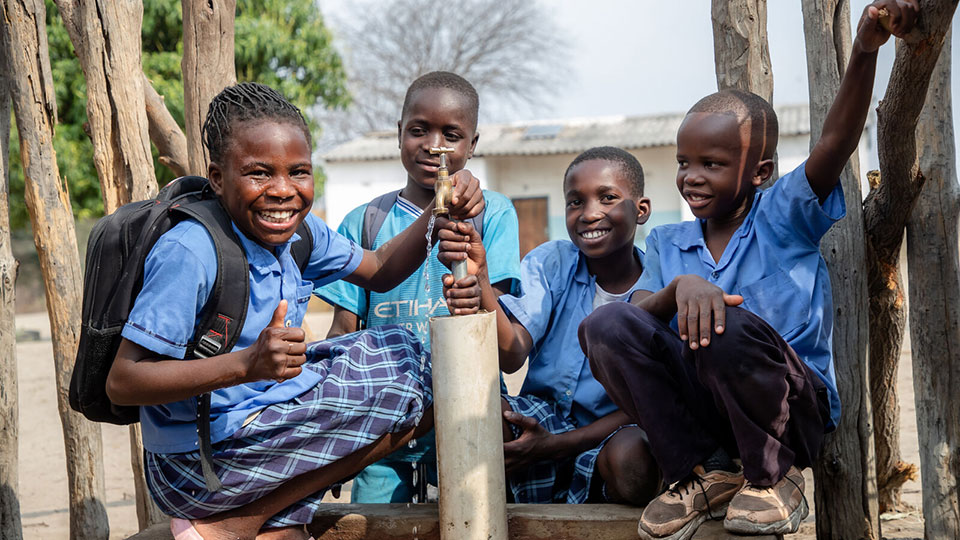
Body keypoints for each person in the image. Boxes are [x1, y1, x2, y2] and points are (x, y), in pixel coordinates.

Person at [578, 2, 918, 538]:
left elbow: (835, 143)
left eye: (711, 164)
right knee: (606, 324)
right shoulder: (669, 241)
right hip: (711, 420)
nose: (691, 177)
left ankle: (773, 478)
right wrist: (680, 288)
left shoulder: (783, 215)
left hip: (789, 411)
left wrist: (863, 51)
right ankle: (697, 475)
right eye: (684, 163)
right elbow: (638, 313)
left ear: (759, 172)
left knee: (722, 320)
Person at [105, 82, 485, 540]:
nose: (283, 191)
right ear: (218, 178)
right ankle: (235, 520)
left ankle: (256, 519)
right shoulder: (193, 251)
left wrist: (442, 202)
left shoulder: (298, 233)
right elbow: (123, 382)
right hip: (197, 463)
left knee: (410, 356)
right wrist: (246, 364)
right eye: (259, 173)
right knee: (414, 379)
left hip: (260, 424)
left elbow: (380, 269)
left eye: (298, 172)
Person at [316, 71, 521, 503]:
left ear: (473, 144)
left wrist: (477, 287)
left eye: (451, 133)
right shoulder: (365, 221)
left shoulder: (494, 215)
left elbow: (505, 343)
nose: (434, 145)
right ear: (399, 134)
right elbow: (344, 332)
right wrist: (330, 432)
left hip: (471, 425)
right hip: (381, 434)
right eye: (419, 130)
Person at [437, 146, 661, 505]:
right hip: (544, 416)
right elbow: (512, 355)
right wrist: (481, 283)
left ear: (642, 209)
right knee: (482, 414)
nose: (589, 214)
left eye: (607, 198)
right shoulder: (553, 262)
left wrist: (555, 446)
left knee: (633, 460)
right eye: (575, 202)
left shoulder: (660, 286)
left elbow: (648, 403)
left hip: (614, 429)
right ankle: (477, 521)